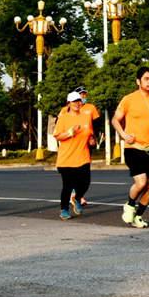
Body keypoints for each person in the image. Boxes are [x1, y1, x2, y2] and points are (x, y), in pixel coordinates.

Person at [112, 66, 149, 229]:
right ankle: (130, 205)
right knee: (141, 182)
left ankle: (138, 216)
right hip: (134, 147)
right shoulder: (128, 99)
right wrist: (123, 135)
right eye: (146, 79)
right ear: (138, 81)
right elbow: (116, 120)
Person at [53, 91, 96, 220]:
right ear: (69, 103)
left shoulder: (86, 116)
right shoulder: (64, 118)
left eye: (79, 101)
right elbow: (57, 135)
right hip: (66, 158)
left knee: (85, 183)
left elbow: (90, 133)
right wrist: (70, 132)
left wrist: (92, 140)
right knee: (67, 185)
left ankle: (77, 198)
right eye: (74, 101)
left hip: (83, 155)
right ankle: (64, 210)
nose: (77, 103)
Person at [59, 86, 101, 208]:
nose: (82, 98)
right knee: (69, 179)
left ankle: (78, 195)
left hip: (86, 143)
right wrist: (69, 133)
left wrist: (94, 137)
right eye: (80, 95)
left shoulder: (90, 108)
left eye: (84, 95)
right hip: (69, 147)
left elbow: (96, 124)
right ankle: (68, 204)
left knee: (84, 176)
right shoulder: (64, 111)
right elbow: (59, 130)